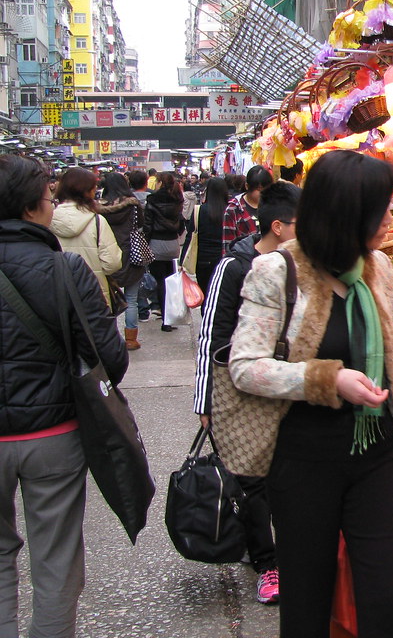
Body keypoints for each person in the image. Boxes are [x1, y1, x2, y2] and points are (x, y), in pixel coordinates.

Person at [229, 151, 393, 638]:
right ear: (346, 212)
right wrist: (325, 379)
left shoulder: (378, 265)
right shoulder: (277, 271)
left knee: (387, 596)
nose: (391, 219)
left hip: (375, 453)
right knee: (307, 600)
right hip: (303, 459)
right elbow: (245, 367)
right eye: (380, 209)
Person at [0, 155, 128, 638]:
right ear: (33, 207)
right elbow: (111, 359)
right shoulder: (66, 270)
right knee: (54, 558)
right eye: (50, 197)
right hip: (52, 434)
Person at [194, 182, 301, 606]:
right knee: (253, 482)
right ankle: (267, 564)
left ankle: (287, 555)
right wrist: (205, 401)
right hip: (241, 393)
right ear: (277, 227)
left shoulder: (302, 266)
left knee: (286, 479)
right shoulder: (235, 267)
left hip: (288, 389)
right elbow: (210, 336)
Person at [49, 167, 123, 311]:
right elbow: (112, 263)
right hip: (95, 295)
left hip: (57, 296)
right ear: (88, 191)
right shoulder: (97, 221)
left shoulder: (48, 220)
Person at [98, 172, 146, 350]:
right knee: (131, 299)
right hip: (132, 254)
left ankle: (111, 339)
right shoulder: (133, 205)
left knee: (107, 300)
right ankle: (131, 339)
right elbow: (141, 224)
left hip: (107, 255)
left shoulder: (99, 209)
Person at [144, 172, 185, 332]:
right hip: (172, 244)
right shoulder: (177, 200)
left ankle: (165, 320)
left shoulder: (152, 200)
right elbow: (182, 223)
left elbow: (148, 225)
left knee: (160, 282)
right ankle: (170, 317)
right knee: (170, 281)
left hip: (157, 243)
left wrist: (145, 244)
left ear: (160, 182)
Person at [223, 165, 273, 255]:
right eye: (259, 190)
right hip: (243, 261)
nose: (263, 193)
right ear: (247, 186)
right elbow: (227, 244)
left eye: (267, 189)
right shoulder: (233, 209)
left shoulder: (272, 206)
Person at [196, 177, 230, 297]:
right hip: (224, 257)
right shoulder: (230, 210)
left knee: (205, 295)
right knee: (222, 295)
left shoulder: (200, 210)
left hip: (203, 259)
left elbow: (191, 236)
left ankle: (206, 315)